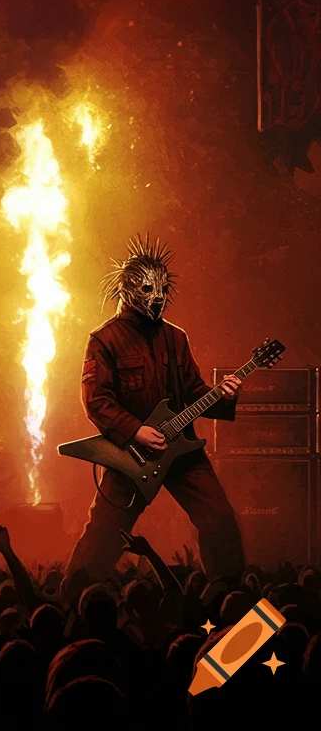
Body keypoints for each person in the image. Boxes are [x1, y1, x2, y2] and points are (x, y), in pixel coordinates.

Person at [67, 237, 243, 580]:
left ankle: (231, 596)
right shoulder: (104, 340)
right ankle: (72, 603)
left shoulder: (176, 338)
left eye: (163, 288)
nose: (158, 296)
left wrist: (224, 396)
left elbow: (193, 391)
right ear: (126, 288)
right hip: (130, 456)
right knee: (104, 533)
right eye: (148, 288)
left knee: (220, 519)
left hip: (181, 451)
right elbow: (96, 401)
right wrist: (135, 431)